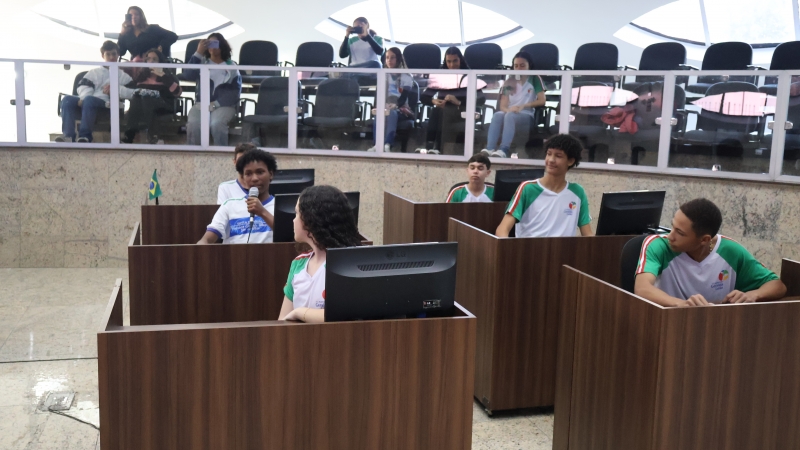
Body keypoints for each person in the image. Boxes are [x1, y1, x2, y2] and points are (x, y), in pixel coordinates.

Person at [635, 198, 786, 307]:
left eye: (680, 233)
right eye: (672, 227)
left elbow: (777, 286)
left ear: (704, 240)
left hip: (717, 327)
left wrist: (752, 295)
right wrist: (681, 305)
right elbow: (642, 289)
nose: (670, 236)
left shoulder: (731, 251)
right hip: (669, 322)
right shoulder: (658, 245)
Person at [278, 185, 363, 323]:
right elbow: (282, 320)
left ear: (311, 220)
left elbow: (346, 317)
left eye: (297, 214)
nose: (293, 220)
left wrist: (300, 312)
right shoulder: (298, 263)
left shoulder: (350, 265)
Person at [496, 134, 593, 237]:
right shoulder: (528, 188)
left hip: (565, 248)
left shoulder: (578, 192)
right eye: (549, 154)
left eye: (558, 156)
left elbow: (588, 234)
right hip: (530, 247)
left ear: (570, 161)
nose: (551, 160)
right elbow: (502, 229)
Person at [56, 41, 135, 143]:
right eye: (108, 54)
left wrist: (115, 89)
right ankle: (68, 136)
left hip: (107, 104)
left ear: (118, 55)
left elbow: (132, 93)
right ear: (103, 56)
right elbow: (83, 86)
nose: (111, 57)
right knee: (67, 99)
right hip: (87, 99)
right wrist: (83, 99)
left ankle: (85, 137)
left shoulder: (123, 76)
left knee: (89, 100)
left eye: (114, 54)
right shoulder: (94, 72)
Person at [198, 150, 276, 244]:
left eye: (260, 172)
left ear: (271, 174)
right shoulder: (229, 205)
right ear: (243, 178)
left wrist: (262, 212)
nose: (254, 178)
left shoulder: (280, 206)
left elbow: (288, 236)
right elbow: (207, 239)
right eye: (248, 174)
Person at [481, 52, 546, 158]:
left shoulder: (535, 78)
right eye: (516, 66)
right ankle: (489, 148)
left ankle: (504, 150)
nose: (519, 68)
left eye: (522, 65)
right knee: (498, 115)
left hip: (527, 114)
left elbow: (542, 100)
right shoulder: (509, 81)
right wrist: (510, 110)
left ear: (529, 65)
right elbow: (503, 106)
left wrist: (523, 106)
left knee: (509, 116)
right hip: (511, 112)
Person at [183, 33, 242, 146]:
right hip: (201, 105)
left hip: (224, 105)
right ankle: (194, 153)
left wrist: (215, 104)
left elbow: (235, 92)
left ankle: (220, 153)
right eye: (209, 43)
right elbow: (188, 75)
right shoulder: (202, 63)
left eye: (215, 43)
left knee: (217, 124)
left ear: (222, 45)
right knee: (194, 124)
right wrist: (198, 53)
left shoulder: (231, 66)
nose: (212, 47)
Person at [416, 47, 470, 155]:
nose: (452, 65)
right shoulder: (442, 76)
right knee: (437, 110)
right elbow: (424, 97)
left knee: (443, 111)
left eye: (455, 61)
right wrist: (433, 101)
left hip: (462, 112)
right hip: (443, 111)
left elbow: (480, 99)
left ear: (460, 60)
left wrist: (458, 101)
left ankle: (438, 148)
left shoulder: (469, 76)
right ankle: (429, 147)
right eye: (448, 61)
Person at [122, 48, 182, 144]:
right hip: (143, 107)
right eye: (148, 59)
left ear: (160, 61)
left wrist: (163, 75)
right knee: (137, 98)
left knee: (147, 97)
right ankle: (129, 135)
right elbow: (129, 87)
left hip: (164, 105)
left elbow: (177, 92)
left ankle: (153, 136)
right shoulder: (141, 77)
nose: (151, 61)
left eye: (154, 59)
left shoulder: (168, 76)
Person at [368, 47, 414, 152]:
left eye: (392, 57)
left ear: (398, 59)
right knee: (380, 113)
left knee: (392, 113)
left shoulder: (407, 76)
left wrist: (395, 105)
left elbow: (403, 97)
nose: (389, 60)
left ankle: (387, 143)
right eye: (387, 57)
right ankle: (377, 144)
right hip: (386, 105)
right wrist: (381, 105)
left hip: (401, 108)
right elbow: (379, 94)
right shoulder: (383, 75)